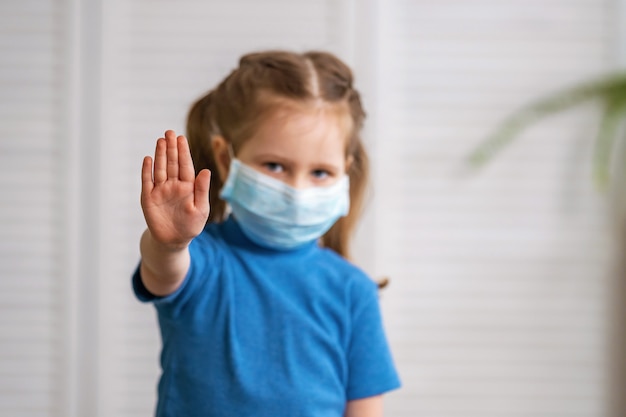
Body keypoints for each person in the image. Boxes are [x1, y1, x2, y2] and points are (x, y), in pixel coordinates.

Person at [132, 50, 401, 417]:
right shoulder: (204, 261)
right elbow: (165, 269)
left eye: (320, 172)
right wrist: (171, 242)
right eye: (275, 165)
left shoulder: (353, 290)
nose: (298, 190)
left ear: (345, 172)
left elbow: (365, 408)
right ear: (226, 160)